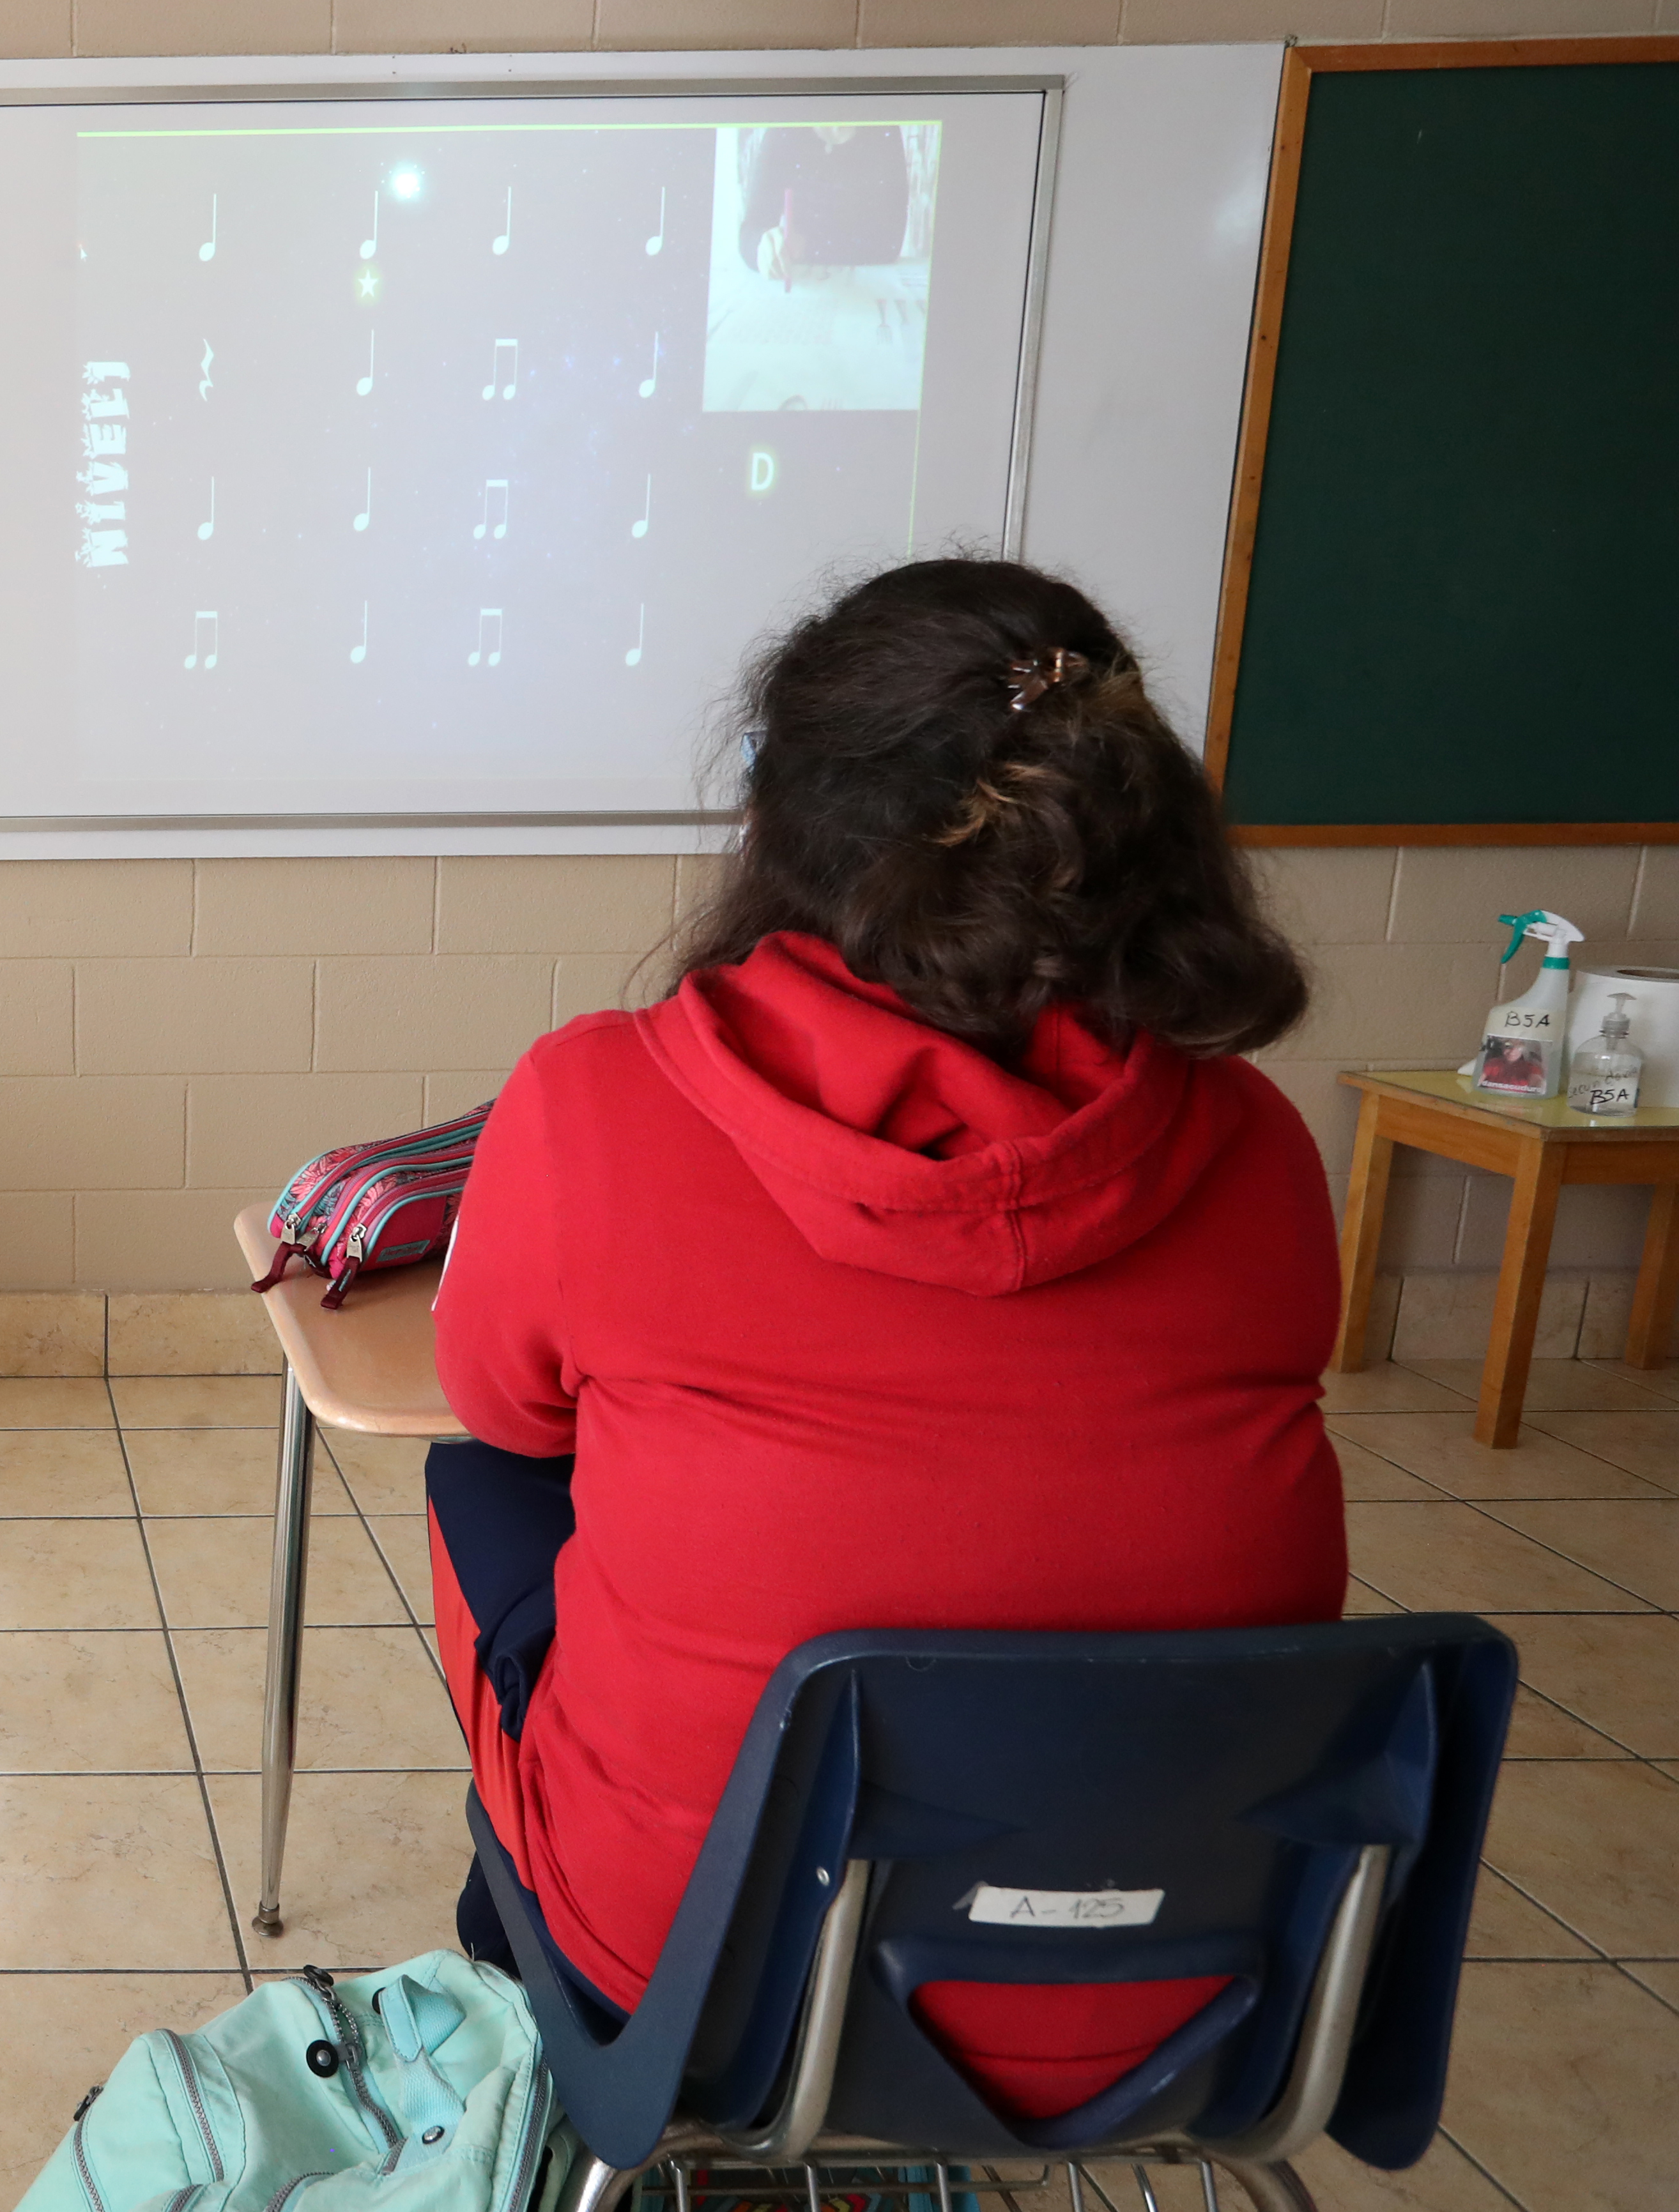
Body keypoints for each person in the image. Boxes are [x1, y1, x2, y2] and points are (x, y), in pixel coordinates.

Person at [427, 558, 1342, 2123]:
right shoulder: (1253, 1142)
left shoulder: (596, 1099)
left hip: (705, 1987)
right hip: (1203, 1994)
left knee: (487, 1485)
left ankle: (525, 1980)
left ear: (784, 819)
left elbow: (504, 1406)